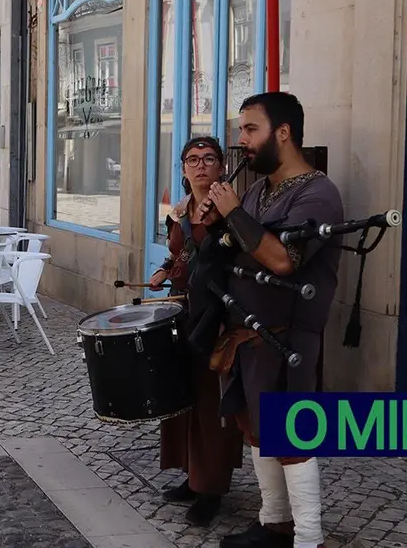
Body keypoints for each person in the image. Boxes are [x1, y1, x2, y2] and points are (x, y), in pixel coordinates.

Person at [207, 92, 344, 548]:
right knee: (255, 428)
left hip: (288, 338)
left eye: (251, 129)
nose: (241, 139)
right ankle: (274, 523)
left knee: (290, 437)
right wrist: (215, 222)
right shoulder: (257, 188)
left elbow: (284, 259)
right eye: (241, 129)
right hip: (246, 335)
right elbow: (236, 244)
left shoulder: (318, 193)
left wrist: (233, 213)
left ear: (282, 133)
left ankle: (308, 538)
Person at [147, 136, 245, 527]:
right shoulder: (180, 211)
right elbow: (178, 254)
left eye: (209, 158)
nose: (201, 165)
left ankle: (212, 489)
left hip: (214, 316)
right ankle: (192, 474)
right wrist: (163, 272)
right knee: (181, 396)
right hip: (180, 312)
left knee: (209, 403)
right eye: (193, 159)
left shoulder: (231, 211)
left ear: (221, 166)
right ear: (184, 169)